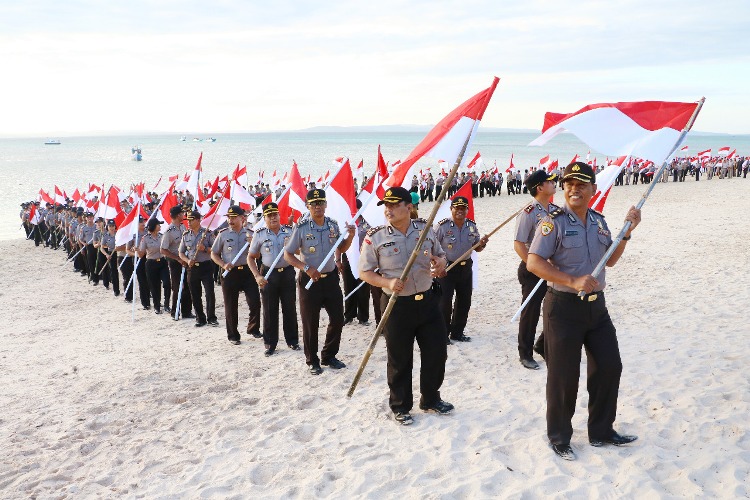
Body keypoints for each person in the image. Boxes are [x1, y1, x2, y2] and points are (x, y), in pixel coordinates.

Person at [527, 161, 641, 461]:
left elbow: (610, 260)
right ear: (563, 189)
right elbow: (534, 262)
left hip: (596, 309)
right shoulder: (553, 222)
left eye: (581, 184)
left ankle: (601, 431)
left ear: (593, 189)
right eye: (568, 184)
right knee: (563, 376)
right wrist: (572, 279)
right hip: (563, 308)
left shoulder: (599, 222)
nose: (573, 189)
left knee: (609, 365)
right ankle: (559, 436)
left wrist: (626, 232)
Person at [359, 187, 452, 426]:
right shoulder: (375, 236)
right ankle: (401, 405)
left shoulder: (425, 229)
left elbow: (441, 255)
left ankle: (431, 398)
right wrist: (386, 282)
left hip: (428, 301)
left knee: (436, 352)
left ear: (408, 207)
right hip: (396, 305)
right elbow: (365, 272)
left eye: (393, 205)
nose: (388, 210)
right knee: (400, 358)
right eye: (385, 206)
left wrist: (439, 263)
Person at [283, 189, 355, 375]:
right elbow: (288, 254)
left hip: (330, 279)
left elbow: (342, 247)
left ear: (325, 205)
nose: (317, 207)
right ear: (308, 206)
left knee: (338, 318)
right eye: (314, 204)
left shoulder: (332, 225)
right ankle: (312, 360)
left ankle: (328, 355)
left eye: (321, 203)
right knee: (310, 322)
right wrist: (306, 268)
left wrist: (351, 236)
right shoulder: (301, 227)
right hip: (309, 281)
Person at [513, 170, 558, 370]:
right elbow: (519, 244)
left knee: (555, 309)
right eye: (549, 182)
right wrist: (534, 266)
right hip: (532, 270)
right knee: (530, 312)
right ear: (540, 187)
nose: (553, 183)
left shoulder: (556, 210)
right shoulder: (529, 213)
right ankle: (525, 353)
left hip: (552, 269)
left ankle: (542, 345)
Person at [248, 202, 300, 356]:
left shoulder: (289, 231)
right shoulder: (260, 234)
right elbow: (251, 257)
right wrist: (257, 276)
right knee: (270, 310)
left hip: (287, 273)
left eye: (275, 215)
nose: (273, 218)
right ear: (265, 218)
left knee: (289, 308)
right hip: (269, 275)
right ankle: (270, 343)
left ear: (279, 215)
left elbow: (298, 251)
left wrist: (290, 245)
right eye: (269, 216)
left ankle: (292, 340)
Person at [435, 196, 488, 344]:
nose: (460, 211)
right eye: (456, 208)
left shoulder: (471, 226)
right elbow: (431, 246)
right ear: (451, 209)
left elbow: (477, 248)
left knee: (464, 301)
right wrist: (437, 265)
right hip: (447, 268)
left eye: (463, 208)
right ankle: (443, 334)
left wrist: (482, 243)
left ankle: (457, 333)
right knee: (444, 302)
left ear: (467, 210)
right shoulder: (442, 226)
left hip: (465, 268)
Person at [211, 205, 262, 346]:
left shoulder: (251, 234)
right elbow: (214, 253)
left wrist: (253, 245)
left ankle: (253, 328)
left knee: (255, 302)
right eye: (229, 217)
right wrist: (223, 264)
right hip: (230, 272)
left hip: (248, 271)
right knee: (230, 305)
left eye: (234, 217)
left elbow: (257, 255)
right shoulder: (223, 234)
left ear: (242, 218)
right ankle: (233, 335)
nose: (231, 220)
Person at [179, 210, 218, 328]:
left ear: (198, 220)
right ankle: (200, 318)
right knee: (195, 294)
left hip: (206, 266)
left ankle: (211, 317)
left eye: (191, 220)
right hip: (192, 267)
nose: (189, 223)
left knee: (209, 292)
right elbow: (181, 252)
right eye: (187, 221)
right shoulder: (186, 235)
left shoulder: (207, 233)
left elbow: (215, 249)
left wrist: (205, 248)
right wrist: (187, 260)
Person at [161, 205, 194, 320]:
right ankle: (175, 311)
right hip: (175, 262)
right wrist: (178, 259)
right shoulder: (169, 231)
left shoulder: (183, 227)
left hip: (185, 260)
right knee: (177, 286)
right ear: (177, 215)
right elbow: (163, 249)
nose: (183, 215)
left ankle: (187, 311)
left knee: (188, 285)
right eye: (182, 213)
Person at [138, 218, 171, 315]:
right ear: (153, 226)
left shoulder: (162, 236)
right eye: (158, 225)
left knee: (167, 283)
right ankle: (157, 306)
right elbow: (141, 255)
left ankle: (166, 304)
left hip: (162, 262)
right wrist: (137, 250)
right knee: (154, 286)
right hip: (151, 263)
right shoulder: (145, 238)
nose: (160, 226)